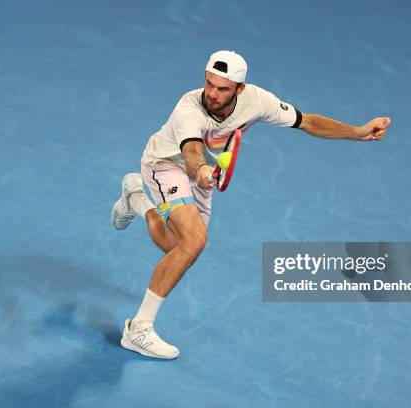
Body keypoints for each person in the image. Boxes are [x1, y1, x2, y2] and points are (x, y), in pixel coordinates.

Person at [112, 50, 391, 359]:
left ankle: (136, 198)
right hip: (165, 164)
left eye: (222, 89)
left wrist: (358, 131)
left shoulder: (257, 101)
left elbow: (308, 121)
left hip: (204, 174)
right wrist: (202, 170)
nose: (213, 94)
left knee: (176, 247)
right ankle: (138, 329)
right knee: (192, 242)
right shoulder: (187, 109)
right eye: (209, 84)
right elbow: (192, 152)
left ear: (239, 89)